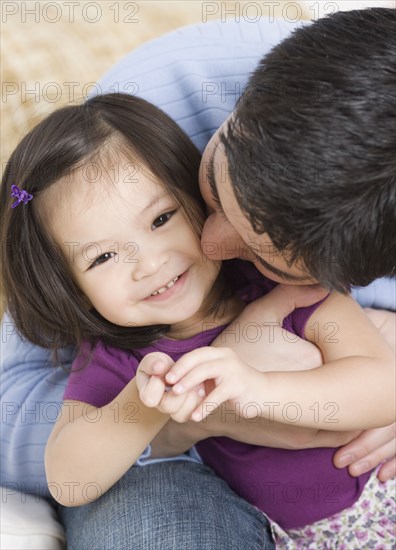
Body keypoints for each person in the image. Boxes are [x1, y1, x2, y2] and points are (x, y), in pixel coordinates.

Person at [1, 10, 395, 550]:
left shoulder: (287, 296)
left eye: (163, 220)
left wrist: (261, 391)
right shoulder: (123, 359)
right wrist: (150, 412)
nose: (151, 263)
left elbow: (383, 387)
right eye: (101, 259)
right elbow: (69, 479)